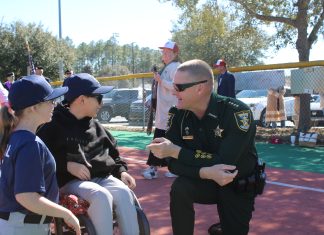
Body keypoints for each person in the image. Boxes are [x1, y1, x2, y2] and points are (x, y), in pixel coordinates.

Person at [147, 59, 259, 235]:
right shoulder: (177, 114)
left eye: (179, 87)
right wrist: (204, 172)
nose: (173, 92)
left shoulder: (236, 112)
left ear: (200, 88)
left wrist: (178, 152)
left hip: (236, 184)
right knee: (180, 188)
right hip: (205, 181)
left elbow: (225, 164)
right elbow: (173, 164)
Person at [37, 73, 139, 235]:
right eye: (98, 97)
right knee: (100, 196)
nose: (102, 102)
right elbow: (40, 157)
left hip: (101, 177)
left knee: (124, 193)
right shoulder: (52, 125)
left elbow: (113, 154)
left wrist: (121, 171)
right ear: (82, 99)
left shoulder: (97, 127)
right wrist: (66, 164)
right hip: (70, 182)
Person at [0, 75, 80, 235]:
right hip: (24, 228)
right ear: (33, 108)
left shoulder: (15, 137)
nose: (54, 105)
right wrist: (66, 213)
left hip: (14, 225)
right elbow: (26, 196)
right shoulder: (30, 143)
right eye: (50, 101)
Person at [142, 41, 181, 180]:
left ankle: (153, 169)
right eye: (163, 52)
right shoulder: (168, 67)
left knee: (162, 138)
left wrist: (160, 80)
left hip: (170, 111)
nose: (164, 54)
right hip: (164, 111)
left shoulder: (176, 67)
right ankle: (172, 168)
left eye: (167, 52)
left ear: (175, 54)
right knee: (168, 138)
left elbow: (176, 86)